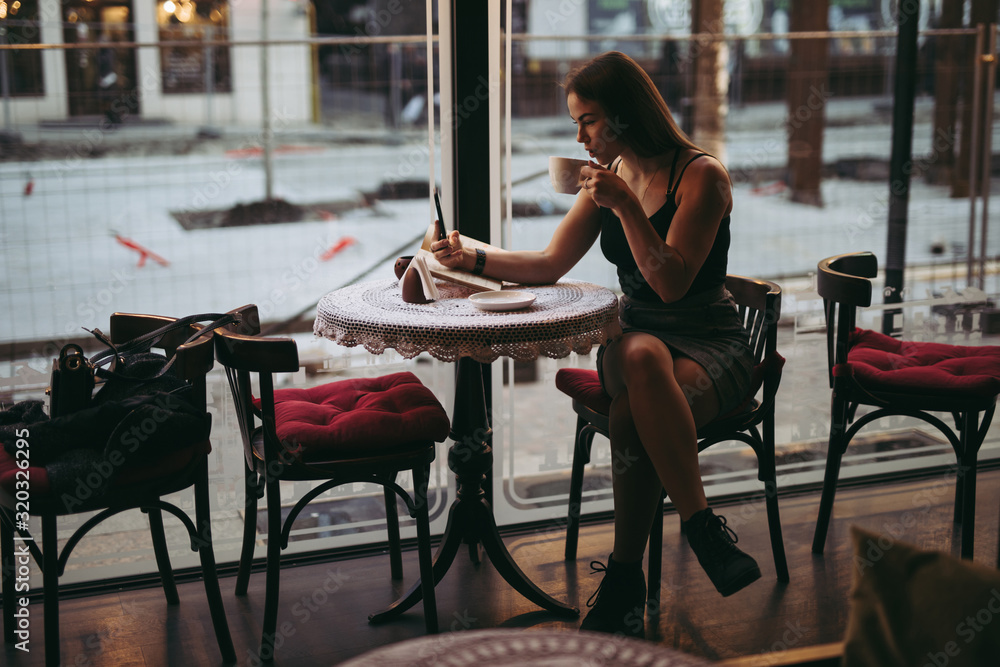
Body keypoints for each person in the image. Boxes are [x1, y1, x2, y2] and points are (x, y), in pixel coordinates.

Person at [430, 51, 760, 637]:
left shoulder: (701, 176)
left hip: (712, 344)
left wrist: (626, 203)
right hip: (638, 343)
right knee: (639, 353)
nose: (578, 135)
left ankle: (627, 578)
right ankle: (703, 526)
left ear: (625, 116)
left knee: (636, 401)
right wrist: (471, 256)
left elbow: (671, 281)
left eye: (587, 120)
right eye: (576, 121)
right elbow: (549, 262)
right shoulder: (608, 176)